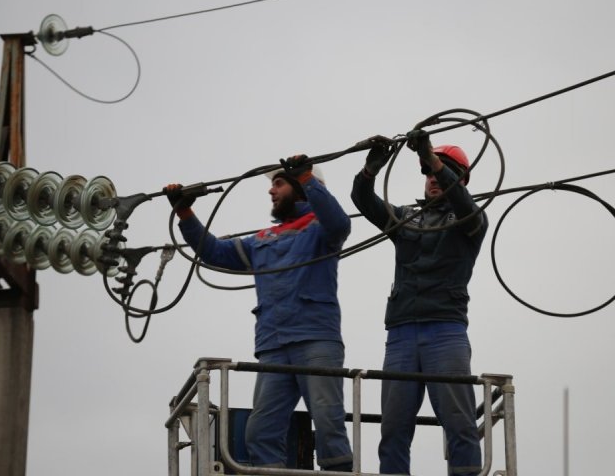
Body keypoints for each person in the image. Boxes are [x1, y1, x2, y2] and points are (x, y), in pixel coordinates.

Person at [164, 155, 353, 472]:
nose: (271, 191)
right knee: (260, 432)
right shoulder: (263, 240)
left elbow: (339, 222)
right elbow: (213, 251)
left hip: (315, 340)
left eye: (279, 183)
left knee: (329, 423)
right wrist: (184, 212)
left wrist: (306, 177)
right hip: (273, 347)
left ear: (302, 187)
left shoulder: (322, 230)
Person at [350, 132, 488, 476]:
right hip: (401, 334)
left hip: (446, 331)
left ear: (461, 179)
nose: (432, 179)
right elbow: (363, 200)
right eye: (426, 172)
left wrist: (433, 157)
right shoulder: (406, 219)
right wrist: (370, 168)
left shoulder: (471, 220)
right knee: (393, 429)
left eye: (438, 172)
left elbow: (464, 205)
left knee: (460, 423)